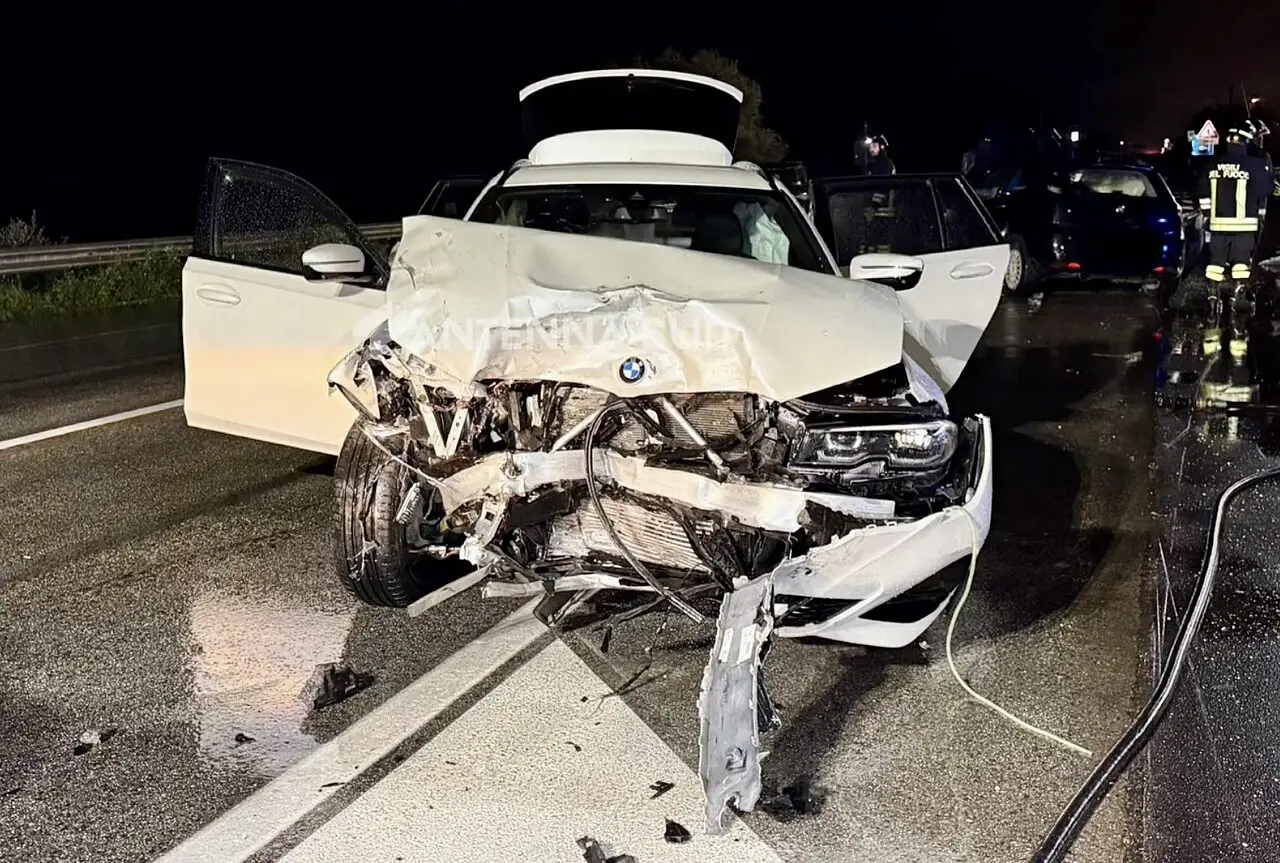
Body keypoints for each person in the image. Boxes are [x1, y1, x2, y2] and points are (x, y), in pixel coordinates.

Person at [1198, 121, 1272, 359]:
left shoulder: (1213, 164)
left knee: (1215, 263)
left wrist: (1208, 214)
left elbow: (1202, 192)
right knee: (1241, 263)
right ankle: (1237, 299)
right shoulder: (1253, 164)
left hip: (1218, 225)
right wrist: (1265, 163)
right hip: (1244, 226)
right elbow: (1266, 190)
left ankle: (1213, 297)